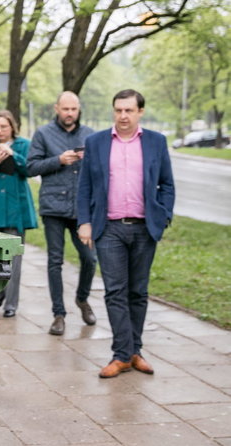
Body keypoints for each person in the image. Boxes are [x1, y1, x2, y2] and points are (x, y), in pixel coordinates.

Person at [77, 89, 175, 378]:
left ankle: (135, 351)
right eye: (118, 110)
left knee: (138, 292)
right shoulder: (96, 142)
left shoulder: (156, 142)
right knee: (115, 292)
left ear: (140, 112)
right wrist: (85, 221)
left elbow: (167, 184)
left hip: (145, 228)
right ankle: (122, 354)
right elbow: (85, 187)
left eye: (129, 111)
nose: (122, 116)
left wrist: (164, 214)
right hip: (109, 229)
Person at [27, 92, 97, 336]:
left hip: (82, 209)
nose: (69, 113)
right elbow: (30, 167)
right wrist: (58, 160)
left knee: (89, 259)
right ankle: (59, 314)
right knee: (54, 261)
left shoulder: (90, 135)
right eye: (65, 109)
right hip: (53, 208)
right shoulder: (43, 134)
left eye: (73, 109)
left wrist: (91, 161)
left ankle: (82, 299)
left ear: (79, 109)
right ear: (57, 108)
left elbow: (102, 169)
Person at [0, 110, 37, 318]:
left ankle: (11, 303)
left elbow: (29, 170)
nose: (0, 131)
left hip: (16, 207)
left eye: (4, 126)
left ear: (12, 126)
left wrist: (13, 155)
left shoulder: (23, 145)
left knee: (15, 259)